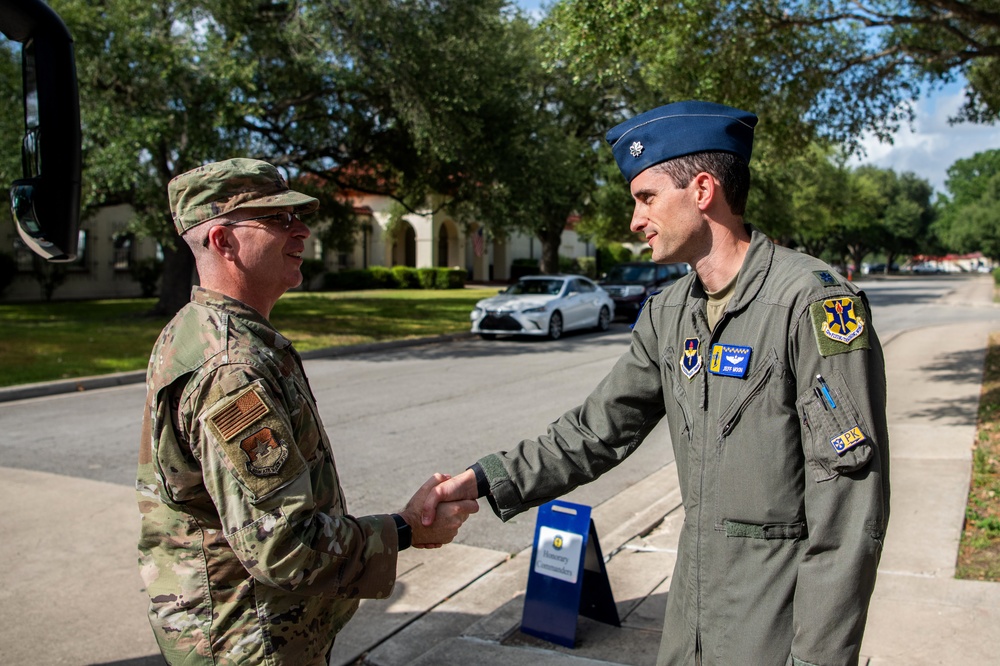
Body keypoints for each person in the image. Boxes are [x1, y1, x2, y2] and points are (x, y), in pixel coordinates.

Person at [423, 101, 890, 665]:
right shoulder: (670, 313)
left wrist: (817, 659)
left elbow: (847, 508)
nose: (635, 220)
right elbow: (595, 432)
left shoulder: (813, 301)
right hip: (689, 619)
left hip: (775, 626)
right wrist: (482, 481)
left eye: (646, 198)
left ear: (701, 190)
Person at [136, 158, 478, 665]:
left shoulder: (206, 330)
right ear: (222, 242)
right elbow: (284, 546)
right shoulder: (232, 367)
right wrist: (406, 528)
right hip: (251, 643)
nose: (301, 231)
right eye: (276, 220)